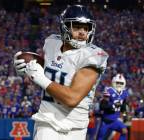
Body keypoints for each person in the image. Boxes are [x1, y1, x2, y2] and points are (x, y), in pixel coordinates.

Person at [13, 5, 109, 140]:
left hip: (76, 127)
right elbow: (50, 70)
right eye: (76, 27)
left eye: (86, 28)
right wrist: (26, 68)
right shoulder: (51, 42)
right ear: (64, 27)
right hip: (47, 120)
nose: (82, 32)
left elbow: (72, 98)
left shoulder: (93, 55)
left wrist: (40, 78)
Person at [97, 74, 128, 140]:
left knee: (124, 131)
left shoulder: (124, 93)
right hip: (106, 120)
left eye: (121, 83)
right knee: (100, 138)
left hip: (115, 120)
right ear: (113, 82)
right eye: (117, 82)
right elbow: (102, 106)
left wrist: (125, 115)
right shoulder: (109, 91)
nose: (119, 84)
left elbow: (124, 105)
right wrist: (112, 107)